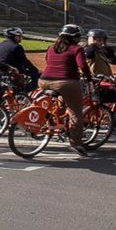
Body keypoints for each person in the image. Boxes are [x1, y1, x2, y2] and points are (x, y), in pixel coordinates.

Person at [39, 24, 92, 156]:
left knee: (62, 100)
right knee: (76, 113)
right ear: (74, 37)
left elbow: (49, 62)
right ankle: (76, 143)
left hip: (44, 81)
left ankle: (59, 122)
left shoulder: (51, 48)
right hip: (66, 82)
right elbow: (82, 66)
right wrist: (89, 79)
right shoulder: (77, 49)